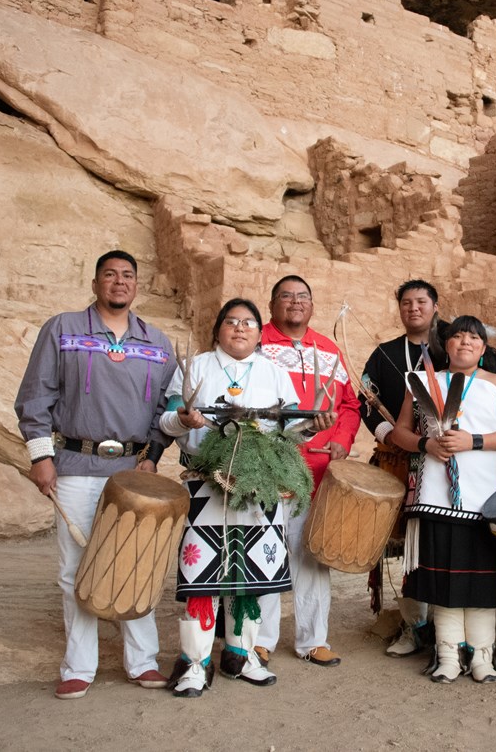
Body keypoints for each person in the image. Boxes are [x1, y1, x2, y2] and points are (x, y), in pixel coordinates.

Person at [15, 250, 174, 700]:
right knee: (75, 568)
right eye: (110, 275)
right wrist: (40, 456)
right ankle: (79, 666)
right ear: (95, 283)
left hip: (133, 472)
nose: (119, 282)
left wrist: (154, 455)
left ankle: (142, 662)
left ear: (137, 285)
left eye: (128, 275)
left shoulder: (158, 342)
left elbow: (169, 408)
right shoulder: (62, 329)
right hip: (76, 464)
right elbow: (34, 397)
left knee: (136, 563)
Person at [159, 298, 333, 696]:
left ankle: (241, 655)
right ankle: (195, 663)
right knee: (204, 574)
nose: (240, 328)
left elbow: (291, 430)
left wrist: (314, 425)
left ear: (259, 332)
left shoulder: (273, 371)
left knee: (251, 574)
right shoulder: (197, 366)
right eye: (232, 322)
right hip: (206, 484)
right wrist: (184, 419)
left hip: (262, 486)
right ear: (218, 329)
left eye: (249, 323)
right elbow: (167, 420)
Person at [389, 316, 496, 683]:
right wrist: (426, 444)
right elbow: (400, 432)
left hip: (483, 500)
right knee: (442, 580)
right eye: (457, 336)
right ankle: (447, 652)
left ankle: (482, 654)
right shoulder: (422, 383)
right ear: (445, 344)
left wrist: (474, 441)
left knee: (481, 580)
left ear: (483, 348)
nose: (465, 342)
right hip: (434, 496)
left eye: (474, 337)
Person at [255, 275, 362, 667]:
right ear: (272, 305)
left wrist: (344, 441)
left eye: (303, 297)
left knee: (312, 556)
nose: (296, 303)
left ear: (312, 306)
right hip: (268, 468)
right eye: (287, 296)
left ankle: (312, 639)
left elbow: (350, 406)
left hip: (317, 472)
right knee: (264, 554)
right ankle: (258, 639)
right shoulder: (257, 344)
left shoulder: (328, 349)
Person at [358, 279, 447, 657]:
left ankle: (449, 628)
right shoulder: (384, 353)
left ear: (435, 305)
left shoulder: (453, 346)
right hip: (397, 460)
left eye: (421, 302)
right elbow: (364, 398)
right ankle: (415, 627)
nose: (414, 308)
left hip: (446, 464)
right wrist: (388, 433)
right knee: (408, 545)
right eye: (406, 303)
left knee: (443, 544)